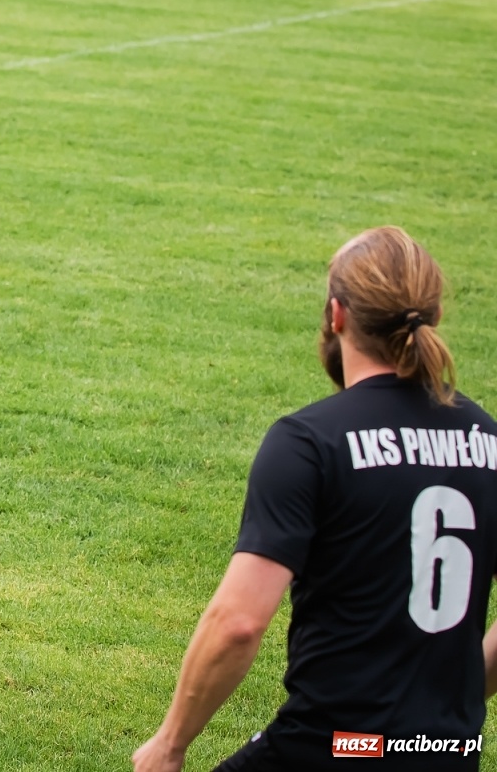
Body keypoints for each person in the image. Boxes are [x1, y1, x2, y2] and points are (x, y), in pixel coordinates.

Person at [134, 226, 497, 771]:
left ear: (336, 314)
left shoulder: (311, 442)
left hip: (333, 748)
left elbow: (239, 622)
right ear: (436, 314)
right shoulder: (488, 440)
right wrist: (454, 702)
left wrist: (170, 744)